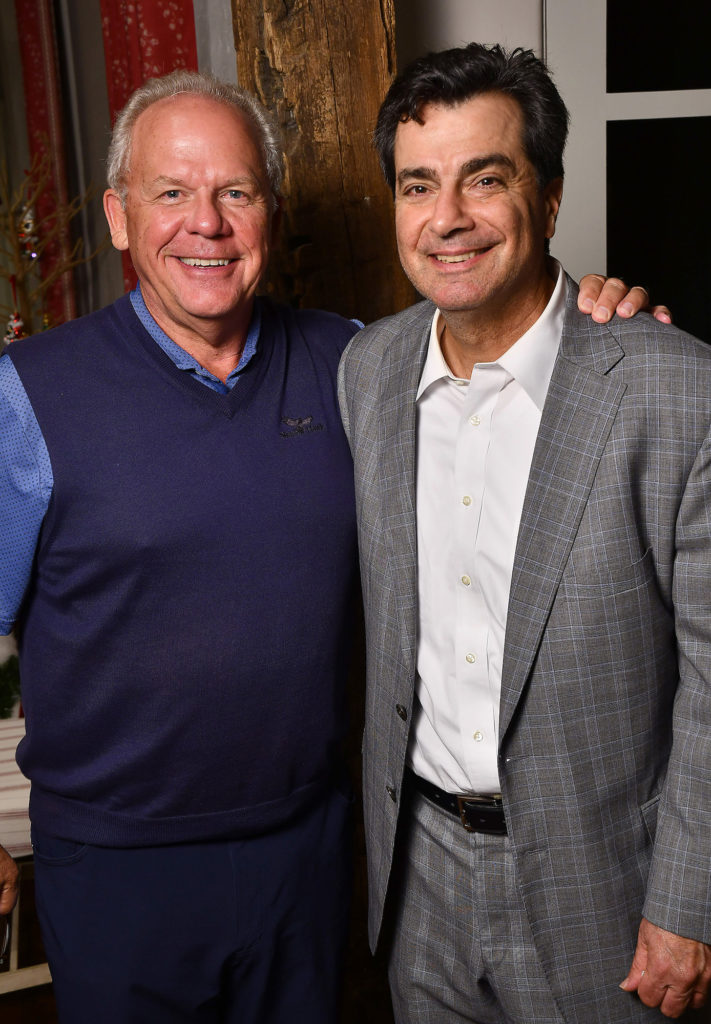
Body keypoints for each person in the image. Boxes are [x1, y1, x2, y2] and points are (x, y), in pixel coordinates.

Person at [0, 67, 662, 1021]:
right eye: (171, 193)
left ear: (268, 210)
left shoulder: (357, 365)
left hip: (310, 852)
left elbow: (503, 348)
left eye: (235, 192)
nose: (207, 223)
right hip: (115, 867)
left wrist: (607, 319)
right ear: (117, 216)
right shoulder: (28, 394)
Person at [338, 43, 711, 1024]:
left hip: (609, 891)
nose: (447, 217)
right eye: (419, 185)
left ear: (548, 201)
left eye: (485, 179)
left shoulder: (675, 386)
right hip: (418, 879)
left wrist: (688, 902)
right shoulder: (365, 373)